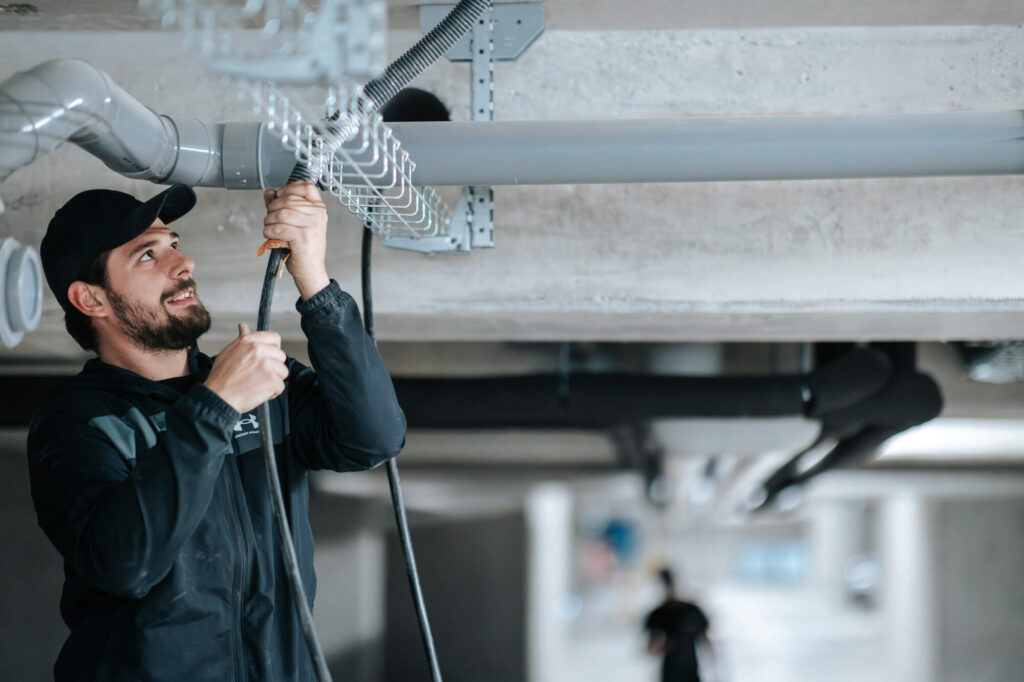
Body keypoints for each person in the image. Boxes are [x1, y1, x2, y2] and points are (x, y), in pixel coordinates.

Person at [27, 180, 406, 681]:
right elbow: (127, 564)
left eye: (174, 245)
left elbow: (373, 438)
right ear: (91, 299)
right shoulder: (78, 423)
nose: (182, 266)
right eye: (147, 256)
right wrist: (217, 406)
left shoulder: (256, 384)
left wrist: (313, 278)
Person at [644, 567, 716, 682]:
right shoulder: (658, 615)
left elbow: (707, 643)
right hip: (669, 675)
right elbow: (650, 649)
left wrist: (714, 670)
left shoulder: (693, 611)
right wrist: (661, 644)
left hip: (691, 674)